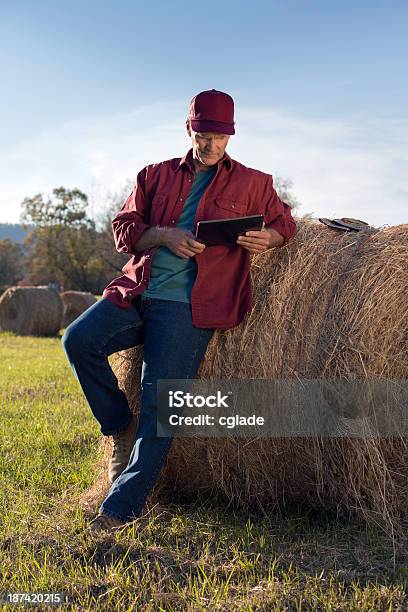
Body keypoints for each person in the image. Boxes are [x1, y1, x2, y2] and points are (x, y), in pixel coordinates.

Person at [61, 89, 297, 535]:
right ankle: (117, 425)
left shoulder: (254, 183)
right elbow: (124, 230)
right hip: (137, 292)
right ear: (188, 128)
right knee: (77, 340)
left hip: (190, 308)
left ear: (230, 136)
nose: (209, 144)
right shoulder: (155, 176)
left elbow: (285, 223)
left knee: (160, 404)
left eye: (219, 137)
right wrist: (165, 235)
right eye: (202, 134)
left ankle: (118, 510)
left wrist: (270, 239)